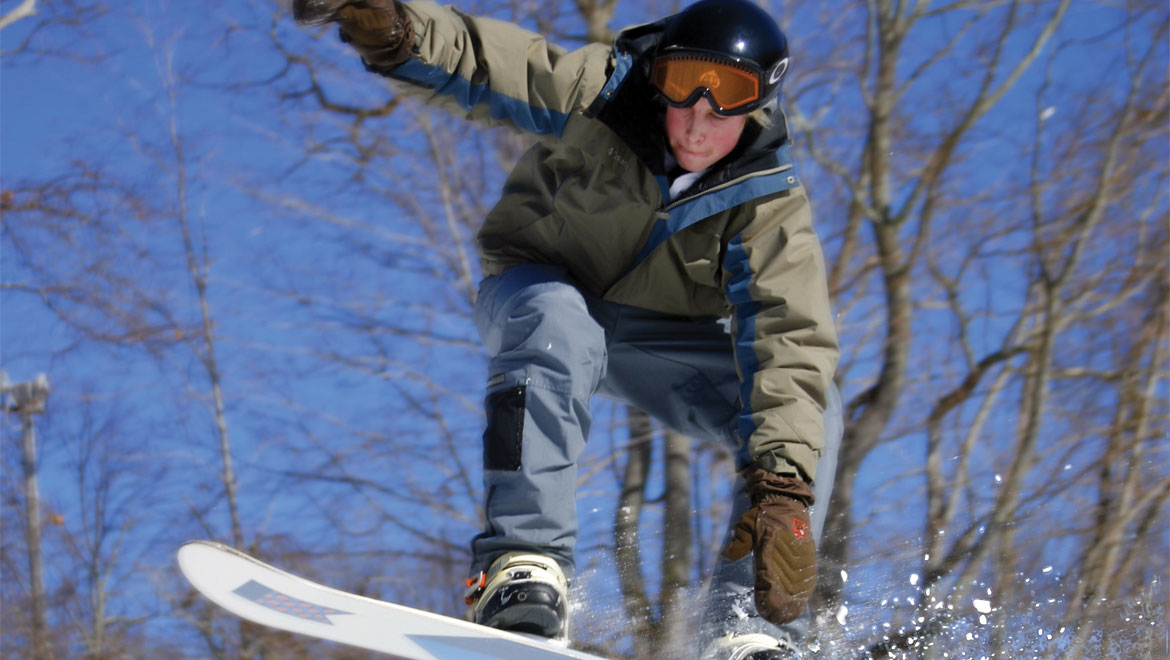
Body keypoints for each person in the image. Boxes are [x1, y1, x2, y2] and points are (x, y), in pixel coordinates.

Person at [293, 1, 843, 658]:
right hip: (536, 294)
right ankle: (524, 566)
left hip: (654, 342)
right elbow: (486, 63)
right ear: (658, 75)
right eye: (681, 86)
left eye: (727, 96)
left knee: (809, 419)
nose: (698, 116)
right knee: (560, 318)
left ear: (761, 99)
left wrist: (782, 487)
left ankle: (750, 628)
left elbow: (793, 342)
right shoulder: (602, 96)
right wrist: (391, 24)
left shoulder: (768, 203)